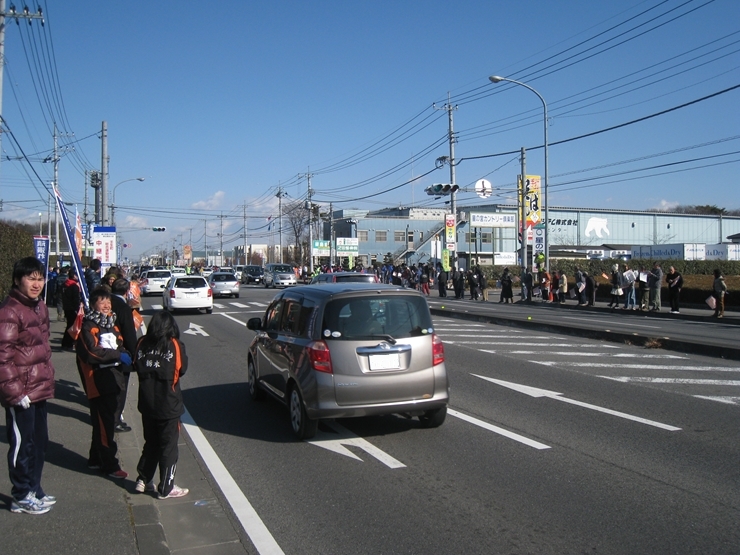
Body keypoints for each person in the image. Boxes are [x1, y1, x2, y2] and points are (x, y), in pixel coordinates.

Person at [0, 257, 57, 514]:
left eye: (40, 278)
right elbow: (3, 356)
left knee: (39, 441)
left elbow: (43, 347)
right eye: (31, 278)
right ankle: (21, 494)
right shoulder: (10, 311)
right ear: (17, 280)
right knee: (22, 444)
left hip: (38, 387)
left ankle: (34, 488)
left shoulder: (40, 307)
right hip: (20, 392)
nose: (37, 284)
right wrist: (14, 392)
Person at [75, 288, 131, 480]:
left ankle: (94, 459)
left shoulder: (112, 324)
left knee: (103, 422)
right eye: (102, 302)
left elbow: (120, 344)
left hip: (114, 379)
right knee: (106, 424)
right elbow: (91, 353)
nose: (107, 305)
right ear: (93, 305)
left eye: (108, 301)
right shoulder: (88, 326)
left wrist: (125, 353)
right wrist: (117, 355)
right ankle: (110, 465)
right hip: (98, 381)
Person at [133, 311, 189, 499]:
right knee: (169, 446)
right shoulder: (174, 345)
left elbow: (135, 365)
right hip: (169, 404)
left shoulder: (141, 343)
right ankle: (166, 487)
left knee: (152, 442)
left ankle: (143, 479)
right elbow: (182, 369)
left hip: (147, 402)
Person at [111, 279, 137, 433]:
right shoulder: (123, 308)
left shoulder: (105, 302)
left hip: (104, 353)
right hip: (121, 353)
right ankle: (115, 420)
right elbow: (129, 334)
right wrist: (135, 354)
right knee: (120, 389)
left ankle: (111, 418)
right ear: (127, 292)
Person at [61, 268, 82, 351]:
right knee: (72, 327)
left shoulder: (65, 284)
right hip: (73, 308)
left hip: (66, 307)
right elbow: (76, 299)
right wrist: (77, 308)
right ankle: (68, 343)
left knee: (69, 326)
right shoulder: (74, 286)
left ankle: (65, 343)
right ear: (74, 275)